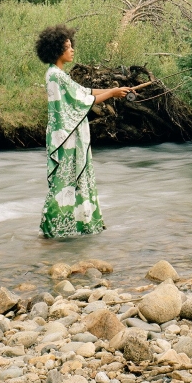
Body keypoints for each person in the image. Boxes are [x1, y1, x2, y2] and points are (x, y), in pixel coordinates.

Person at [35, 25, 151, 238]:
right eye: (67, 47)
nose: (72, 50)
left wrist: (115, 92)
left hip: (65, 135)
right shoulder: (56, 76)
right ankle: (55, 228)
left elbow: (83, 91)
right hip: (65, 137)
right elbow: (83, 100)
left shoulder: (57, 74)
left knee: (71, 180)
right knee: (64, 181)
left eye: (71, 46)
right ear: (56, 50)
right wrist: (112, 92)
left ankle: (75, 225)